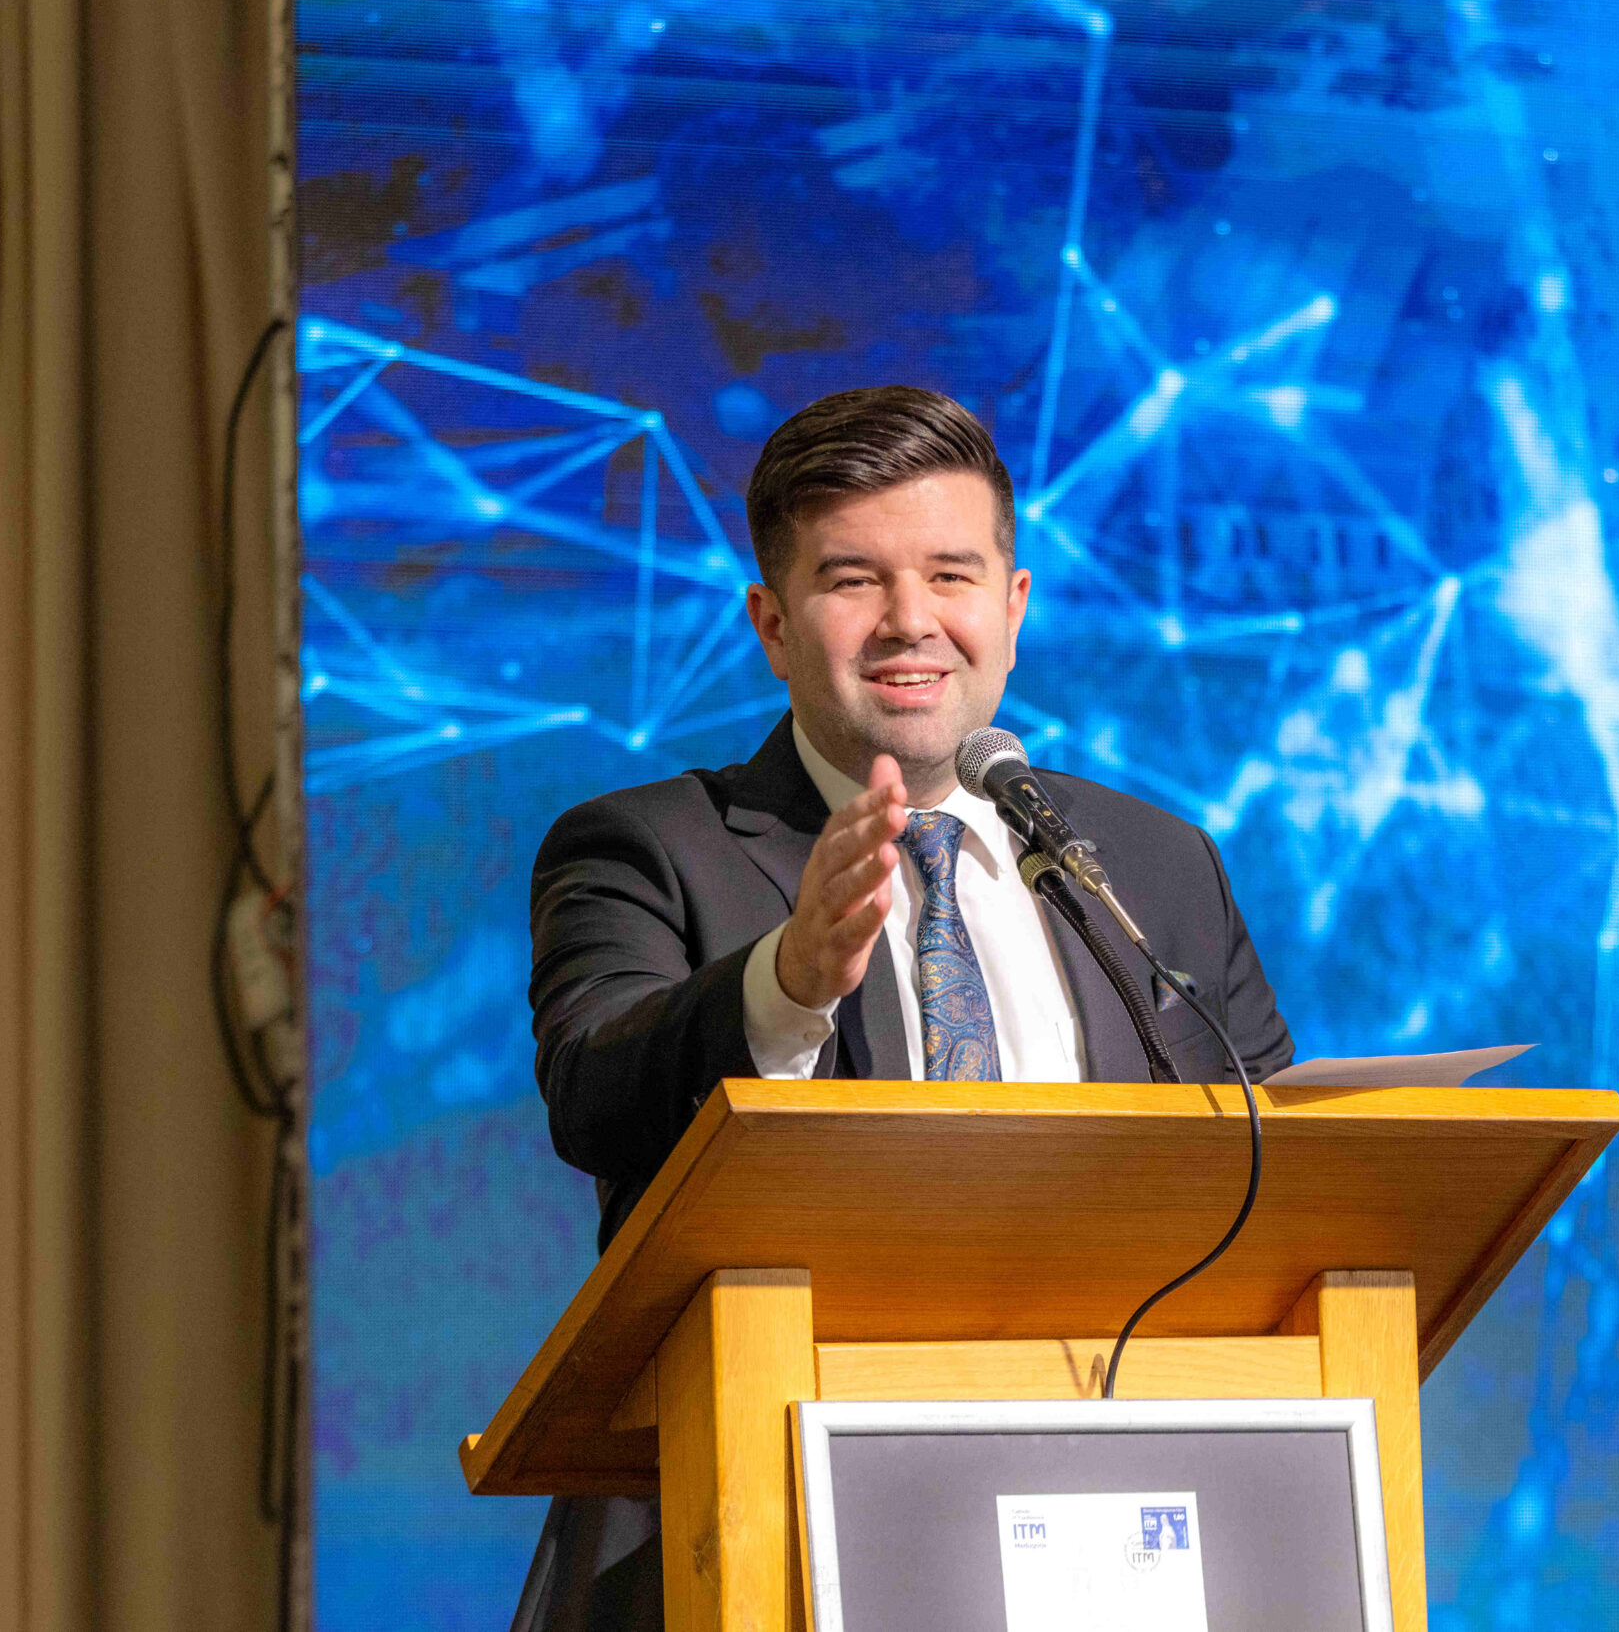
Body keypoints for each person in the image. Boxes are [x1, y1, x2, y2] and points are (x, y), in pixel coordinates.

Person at [510, 386, 1295, 1631]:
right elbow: (594, 1096)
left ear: (1013, 606)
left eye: (950, 574)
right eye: (853, 580)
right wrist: (785, 982)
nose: (910, 621)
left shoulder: (1153, 864)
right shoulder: (646, 849)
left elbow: (1275, 1184)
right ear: (772, 625)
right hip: (755, 1523)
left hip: (1113, 1530)